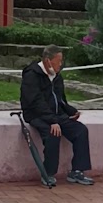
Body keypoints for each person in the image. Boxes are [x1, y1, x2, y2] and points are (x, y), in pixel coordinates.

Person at [20, 45, 94, 187]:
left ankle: (77, 171)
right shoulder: (32, 75)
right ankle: (48, 173)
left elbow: (60, 100)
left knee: (80, 131)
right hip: (36, 115)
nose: (61, 64)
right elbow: (36, 102)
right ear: (48, 61)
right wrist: (53, 121)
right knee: (53, 133)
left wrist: (71, 112)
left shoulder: (57, 77)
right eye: (58, 61)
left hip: (55, 116)